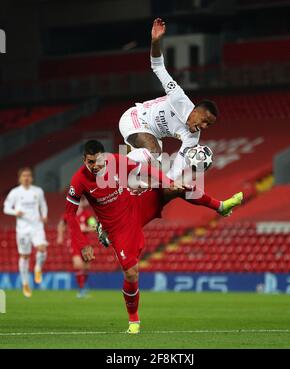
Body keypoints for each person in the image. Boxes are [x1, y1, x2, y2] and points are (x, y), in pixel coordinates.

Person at [64, 140, 243, 334]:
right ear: (84, 160)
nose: (95, 166)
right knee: (131, 273)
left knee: (177, 188)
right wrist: (82, 244)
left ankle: (221, 207)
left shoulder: (115, 161)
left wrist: (168, 182)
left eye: (98, 161)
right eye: (90, 162)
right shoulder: (78, 181)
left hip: (136, 205)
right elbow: (69, 215)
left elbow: (148, 170)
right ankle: (134, 320)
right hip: (118, 227)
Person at [119, 18, 218, 180]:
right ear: (196, 111)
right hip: (134, 118)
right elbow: (157, 66)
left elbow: (177, 167)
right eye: (205, 120)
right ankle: (115, 167)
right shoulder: (179, 97)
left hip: (151, 135)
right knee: (154, 151)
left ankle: (131, 184)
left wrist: (166, 184)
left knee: (156, 171)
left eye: (209, 125)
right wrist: (155, 41)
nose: (205, 126)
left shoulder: (192, 138)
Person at [3, 167, 48, 298]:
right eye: (24, 176)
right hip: (22, 229)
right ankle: (25, 283)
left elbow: (43, 205)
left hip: (36, 226)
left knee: (42, 248)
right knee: (25, 256)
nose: (26, 178)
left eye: (28, 175)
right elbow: (6, 208)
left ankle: (38, 268)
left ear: (32, 178)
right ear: (20, 178)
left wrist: (44, 215)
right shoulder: (15, 193)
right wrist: (14, 212)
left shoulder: (38, 191)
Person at [57, 196, 97, 298]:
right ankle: (81, 290)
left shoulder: (87, 214)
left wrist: (86, 228)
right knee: (78, 265)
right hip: (73, 243)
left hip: (86, 243)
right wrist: (60, 236)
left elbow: (94, 226)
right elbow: (61, 225)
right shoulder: (68, 214)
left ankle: (83, 286)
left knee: (86, 267)